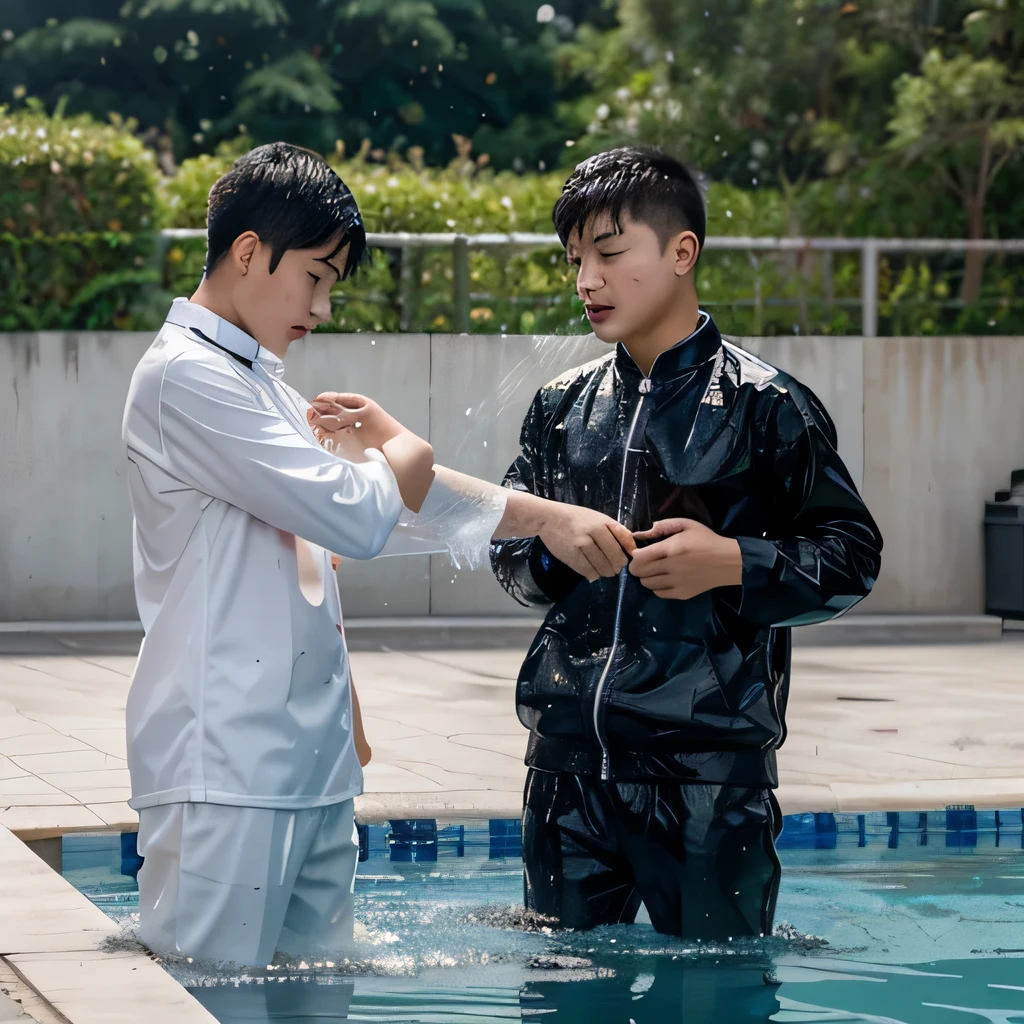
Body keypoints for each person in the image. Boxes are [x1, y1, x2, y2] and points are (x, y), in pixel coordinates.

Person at [121, 142, 634, 968]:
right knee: (212, 1001)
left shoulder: (267, 390)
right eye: (316, 277)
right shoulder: (185, 380)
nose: (321, 308)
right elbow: (361, 514)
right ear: (249, 252)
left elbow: (390, 510)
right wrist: (403, 444)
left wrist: (546, 519)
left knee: (320, 999)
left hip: (310, 769)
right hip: (224, 770)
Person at [490, 145, 883, 941]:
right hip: (566, 771)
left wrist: (733, 562)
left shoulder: (766, 405)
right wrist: (547, 552)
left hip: (708, 777)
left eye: (607, 253)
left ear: (682, 251)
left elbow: (852, 553)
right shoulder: (560, 408)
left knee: (715, 996)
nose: (586, 281)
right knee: (559, 997)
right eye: (574, 260)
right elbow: (507, 554)